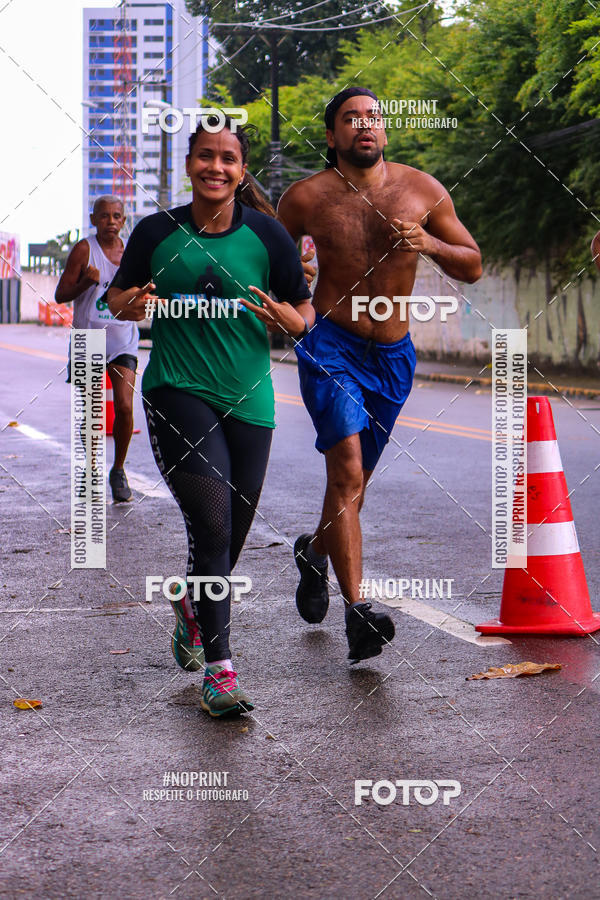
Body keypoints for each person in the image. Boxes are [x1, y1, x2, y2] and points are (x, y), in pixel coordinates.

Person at [107, 118, 314, 717]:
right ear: (190, 164)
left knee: (231, 533)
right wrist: (133, 302)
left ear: (240, 170)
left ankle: (191, 604)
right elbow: (115, 300)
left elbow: (304, 317)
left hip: (249, 398)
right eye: (205, 156)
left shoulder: (269, 238)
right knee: (215, 525)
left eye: (227, 158)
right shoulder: (156, 232)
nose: (215, 167)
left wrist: (284, 315)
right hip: (177, 389)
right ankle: (220, 672)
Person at [277, 87, 482, 664]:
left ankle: (313, 552)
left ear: (385, 130)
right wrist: (292, 285)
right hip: (331, 346)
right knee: (345, 472)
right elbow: (267, 256)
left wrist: (431, 242)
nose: (364, 126)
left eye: (373, 117)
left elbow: (473, 264)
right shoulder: (306, 198)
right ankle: (357, 611)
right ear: (331, 135)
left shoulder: (422, 190)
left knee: (354, 487)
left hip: (393, 355)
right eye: (350, 118)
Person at [55, 196, 138, 503]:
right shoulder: (83, 250)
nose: (111, 221)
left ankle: (118, 470)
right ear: (93, 219)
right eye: (104, 216)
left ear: (124, 220)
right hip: (88, 339)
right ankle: (91, 471)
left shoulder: (131, 252)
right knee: (91, 413)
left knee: (125, 407)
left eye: (117, 216)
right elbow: (61, 294)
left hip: (122, 340)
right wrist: (86, 284)